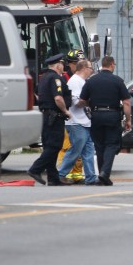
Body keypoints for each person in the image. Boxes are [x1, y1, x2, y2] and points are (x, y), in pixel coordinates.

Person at [78, 55, 131, 186]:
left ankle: (103, 177)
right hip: (112, 115)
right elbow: (126, 103)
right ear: (112, 64)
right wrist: (128, 119)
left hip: (96, 116)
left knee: (100, 146)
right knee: (111, 145)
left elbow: (82, 101)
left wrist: (91, 107)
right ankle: (104, 173)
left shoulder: (91, 81)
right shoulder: (118, 81)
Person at [27, 53, 72, 186]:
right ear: (58, 65)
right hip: (55, 116)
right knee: (54, 146)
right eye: (62, 64)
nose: (63, 66)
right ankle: (35, 169)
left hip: (46, 116)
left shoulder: (44, 78)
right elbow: (58, 98)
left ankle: (53, 178)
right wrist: (65, 111)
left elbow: (36, 93)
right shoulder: (55, 78)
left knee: (49, 145)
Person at [57, 59, 98, 185]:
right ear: (84, 68)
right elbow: (75, 102)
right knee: (76, 149)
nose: (92, 70)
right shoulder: (75, 81)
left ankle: (91, 177)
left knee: (88, 150)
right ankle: (61, 174)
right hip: (75, 122)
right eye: (90, 67)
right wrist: (91, 100)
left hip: (84, 121)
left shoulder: (83, 81)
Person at [57, 48, 87, 183]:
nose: (79, 66)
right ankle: (64, 174)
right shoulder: (64, 79)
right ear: (70, 63)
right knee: (67, 146)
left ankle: (76, 174)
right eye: (77, 63)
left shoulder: (81, 78)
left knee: (78, 147)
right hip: (67, 118)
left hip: (79, 118)